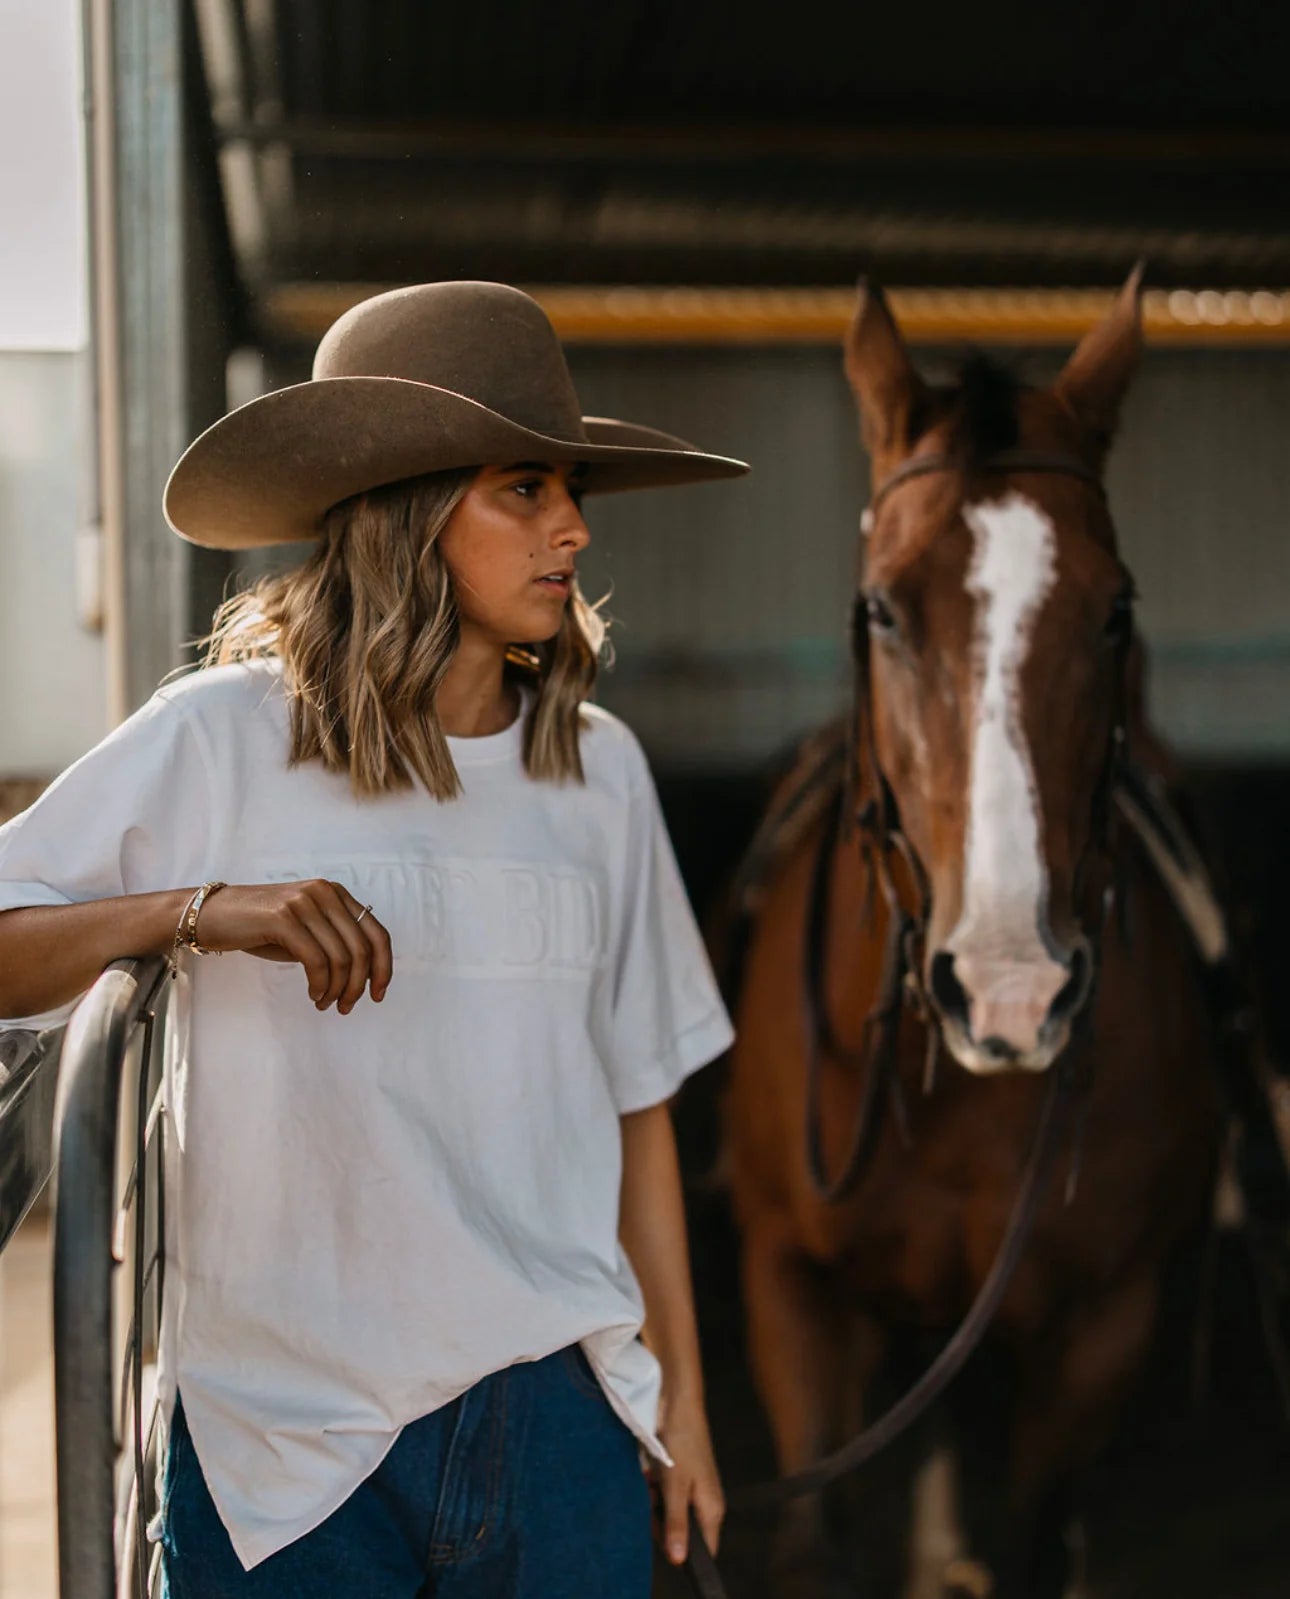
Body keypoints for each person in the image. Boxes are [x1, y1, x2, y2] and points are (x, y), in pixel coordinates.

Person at [0, 281, 749, 1597]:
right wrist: (197, 912)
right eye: (526, 488)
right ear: (407, 508)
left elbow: (642, 1110)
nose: (573, 526)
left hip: (560, 1419)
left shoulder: (600, 772)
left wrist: (679, 1399)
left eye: (571, 488)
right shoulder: (222, 736)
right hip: (284, 1451)